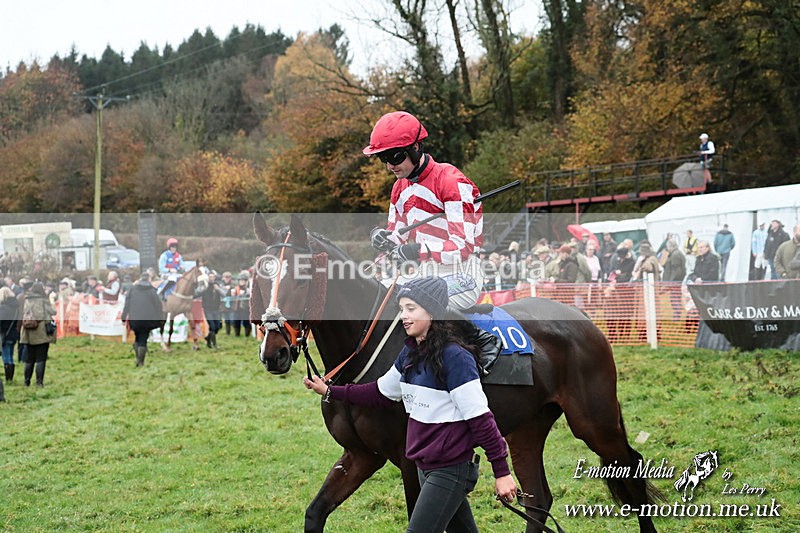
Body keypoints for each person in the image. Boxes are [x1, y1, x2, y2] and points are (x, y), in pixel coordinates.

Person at [303, 277, 516, 532]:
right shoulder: (410, 353)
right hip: (425, 468)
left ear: (433, 312)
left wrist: (502, 472)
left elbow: (481, 418)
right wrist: (330, 390)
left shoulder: (456, 358)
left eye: (411, 309)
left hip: (449, 470)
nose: (404, 316)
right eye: (402, 309)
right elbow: (380, 393)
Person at [364, 111, 484, 311]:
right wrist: (381, 237)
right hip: (422, 274)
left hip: (462, 274)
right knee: (373, 296)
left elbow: (462, 247)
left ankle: (481, 340)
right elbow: (397, 239)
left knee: (415, 301)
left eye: (395, 156)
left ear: (416, 148)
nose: (389, 165)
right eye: (382, 158)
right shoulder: (399, 188)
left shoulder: (451, 181)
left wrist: (417, 250)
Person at [121, 272, 165, 366]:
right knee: (143, 339)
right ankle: (140, 361)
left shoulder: (132, 289)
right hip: (147, 320)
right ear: (149, 279)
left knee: (137, 337)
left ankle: (138, 359)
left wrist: (123, 317)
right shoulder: (152, 291)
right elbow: (158, 306)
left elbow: (127, 304)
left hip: (135, 320)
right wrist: (161, 319)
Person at [19, 282, 57, 387]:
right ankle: (39, 382)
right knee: (41, 358)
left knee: (29, 359)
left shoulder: (26, 299)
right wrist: (52, 301)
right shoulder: (43, 301)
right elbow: (53, 311)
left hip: (28, 333)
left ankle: (26, 382)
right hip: (41, 333)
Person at [198, 271, 226, 348]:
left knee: (217, 327)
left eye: (213, 277)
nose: (212, 278)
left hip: (217, 309)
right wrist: (203, 288)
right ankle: (215, 344)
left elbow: (224, 294)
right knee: (212, 327)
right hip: (208, 309)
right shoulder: (205, 285)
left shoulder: (217, 285)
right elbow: (197, 293)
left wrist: (218, 289)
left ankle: (208, 338)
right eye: (210, 277)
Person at [0, 286, 20, 384]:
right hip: (13, 334)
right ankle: (10, 378)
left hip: (5, 335)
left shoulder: (3, 308)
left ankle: (8, 379)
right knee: (11, 356)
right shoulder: (16, 307)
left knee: (6, 357)